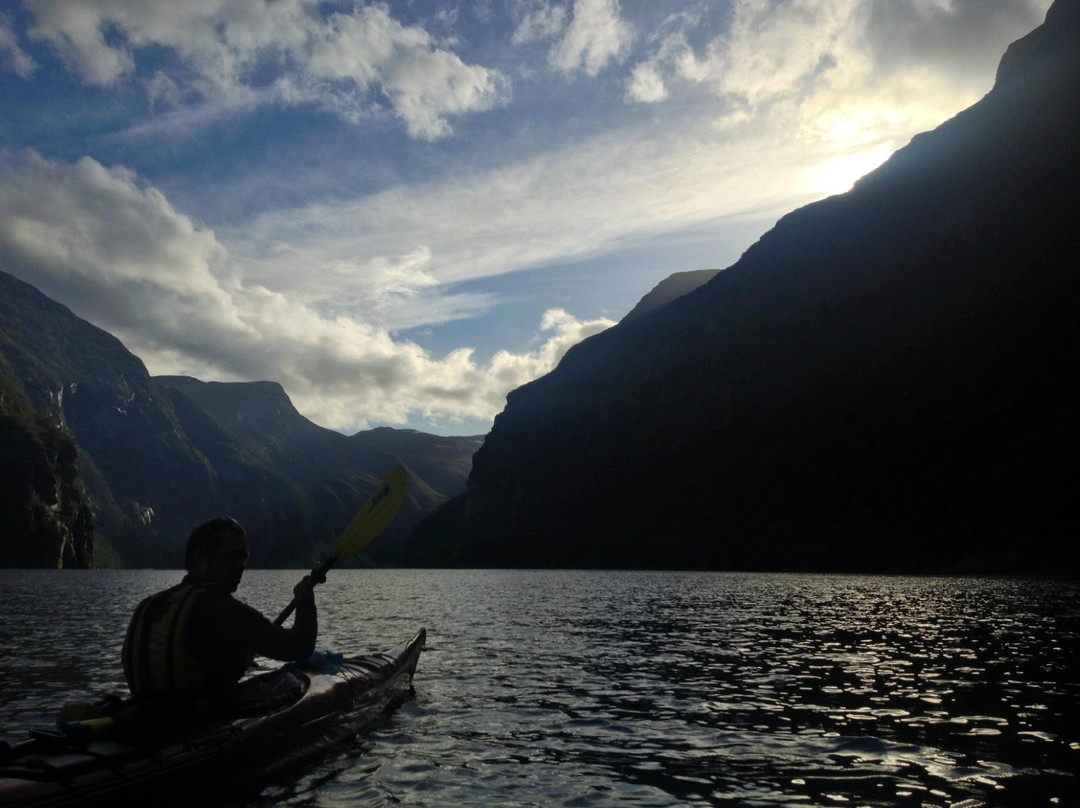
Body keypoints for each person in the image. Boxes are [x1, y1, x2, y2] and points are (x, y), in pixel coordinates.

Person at [121, 517, 321, 709]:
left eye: (243, 557)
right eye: (231, 557)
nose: (241, 565)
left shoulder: (151, 603)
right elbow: (299, 647)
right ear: (200, 559)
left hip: (149, 712)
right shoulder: (225, 611)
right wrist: (305, 601)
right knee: (290, 681)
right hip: (196, 720)